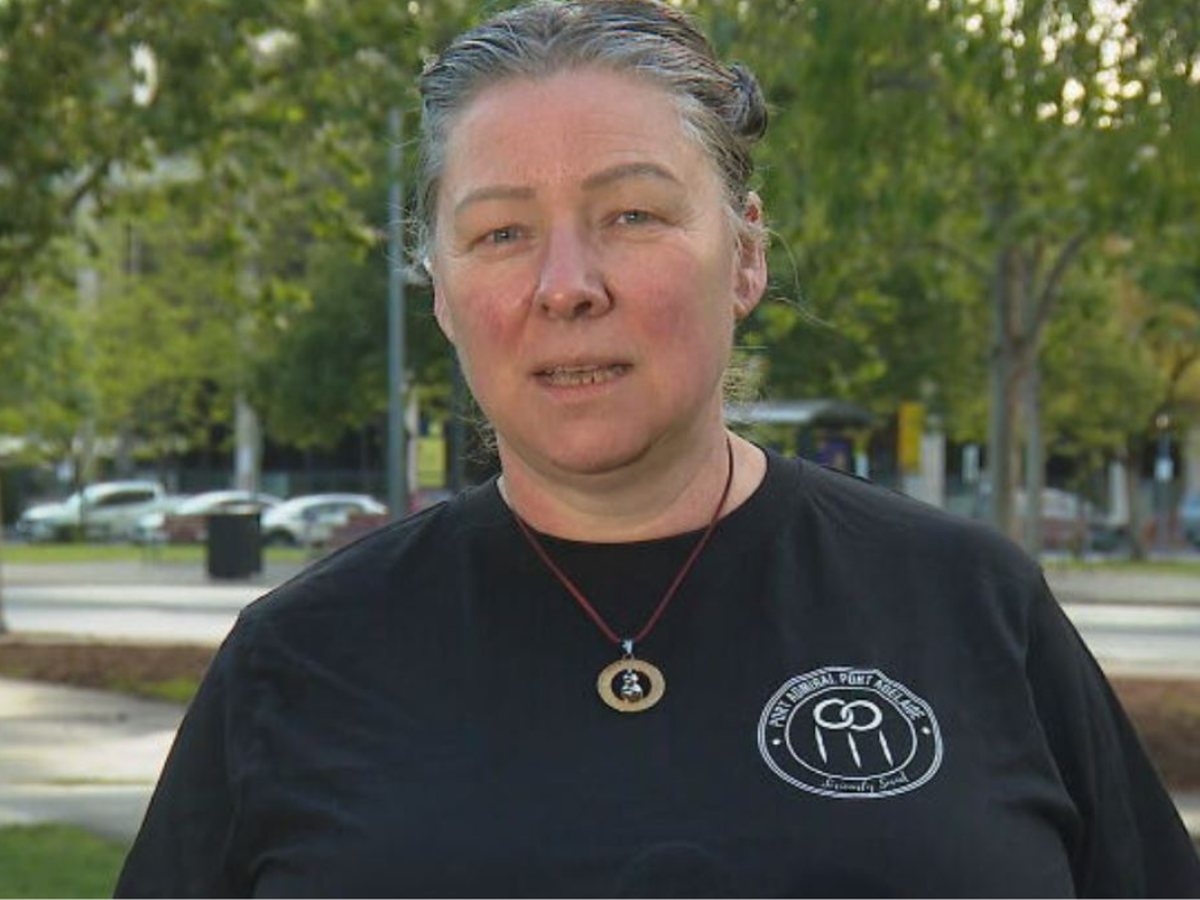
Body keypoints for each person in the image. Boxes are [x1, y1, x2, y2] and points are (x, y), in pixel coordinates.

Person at [116, 1, 1200, 896]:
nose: (567, 286)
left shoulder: (974, 610)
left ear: (746, 255)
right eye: (501, 233)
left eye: (633, 215)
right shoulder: (296, 663)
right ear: (441, 291)